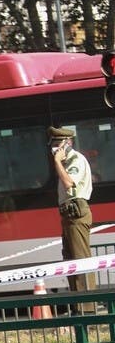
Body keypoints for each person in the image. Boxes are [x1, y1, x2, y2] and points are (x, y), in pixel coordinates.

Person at [51, 126, 93, 295]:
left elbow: (69, 183)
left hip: (76, 212)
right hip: (68, 214)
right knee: (70, 261)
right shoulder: (66, 162)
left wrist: (56, 162)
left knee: (80, 260)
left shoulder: (76, 159)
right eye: (52, 143)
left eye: (57, 144)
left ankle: (88, 311)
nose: (54, 148)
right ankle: (78, 304)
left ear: (68, 143)